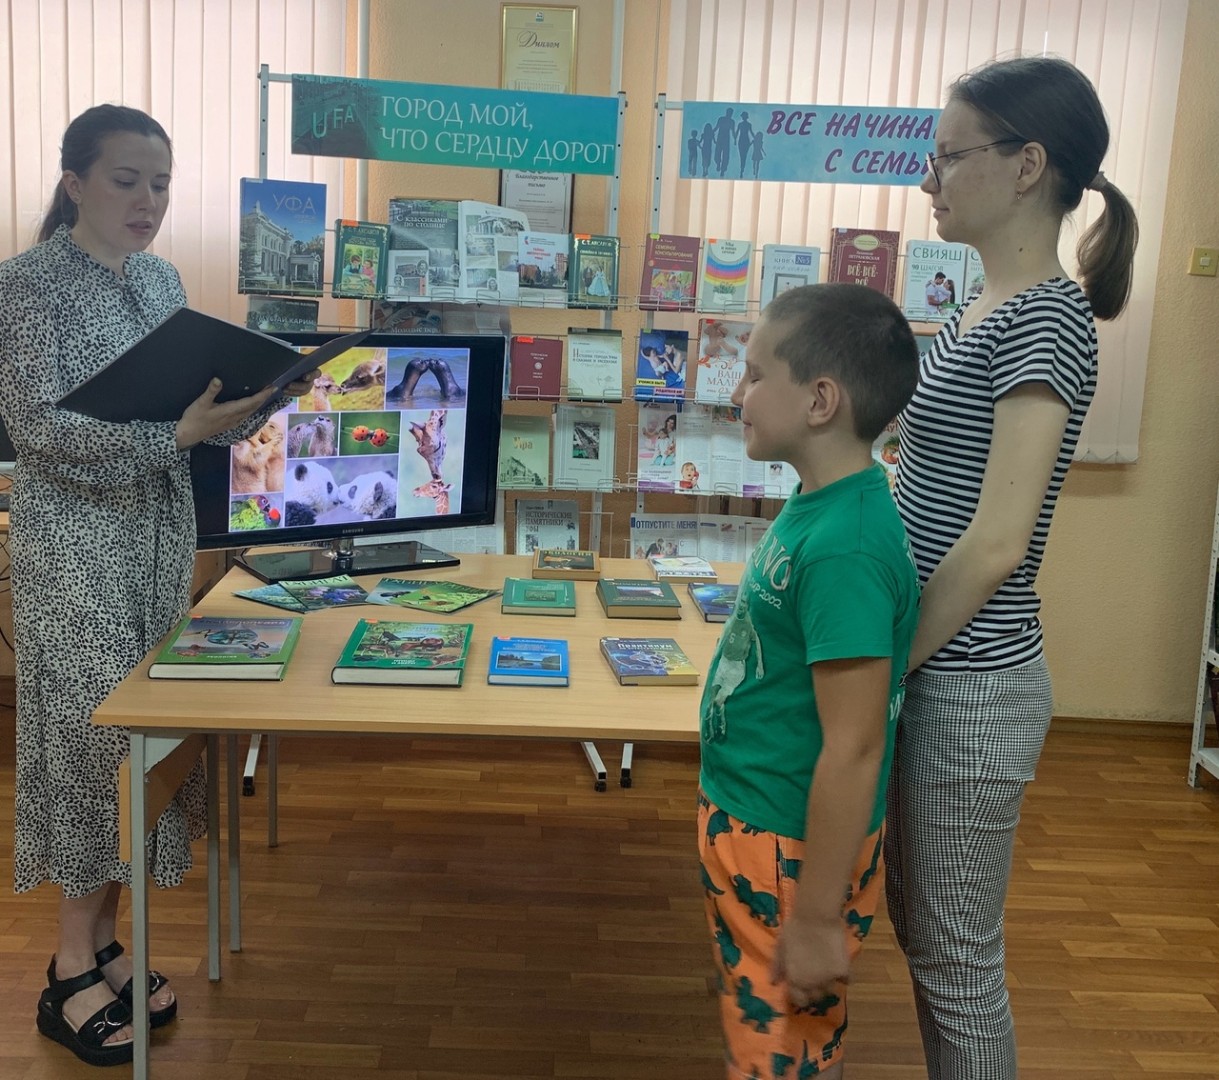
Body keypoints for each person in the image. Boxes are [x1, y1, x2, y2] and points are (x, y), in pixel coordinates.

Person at [0, 104, 319, 1068]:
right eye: (126, 180)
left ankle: (105, 946)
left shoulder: (161, 281)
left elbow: (192, 418)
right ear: (75, 183)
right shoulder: (23, 287)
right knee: (95, 749)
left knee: (148, 747)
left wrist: (258, 402)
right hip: (73, 549)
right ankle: (67, 968)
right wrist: (174, 434)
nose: (148, 200)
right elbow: (39, 431)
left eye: (162, 184)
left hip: (156, 542)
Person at [887, 55, 1138, 1079]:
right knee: (925, 937)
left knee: (956, 963)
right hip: (932, 667)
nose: (929, 179)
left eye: (948, 156)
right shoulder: (981, 304)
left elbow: (996, 542)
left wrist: (883, 660)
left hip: (969, 683)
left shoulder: (1044, 317)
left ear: (1026, 164)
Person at [698, 283, 921, 1080]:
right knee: (766, 1035)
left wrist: (819, 916)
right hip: (755, 823)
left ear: (820, 400)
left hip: (787, 847)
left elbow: (855, 746)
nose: (737, 394)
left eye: (756, 374)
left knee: (778, 1054)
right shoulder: (820, 507)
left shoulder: (845, 547)